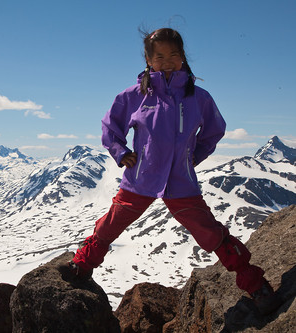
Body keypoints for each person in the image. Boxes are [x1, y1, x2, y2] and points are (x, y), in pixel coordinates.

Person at [59, 28, 280, 315]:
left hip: (180, 183)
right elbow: (110, 127)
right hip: (140, 179)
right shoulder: (133, 96)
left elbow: (214, 131)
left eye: (173, 55)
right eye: (159, 56)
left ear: (182, 57)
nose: (167, 61)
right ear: (149, 60)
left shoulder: (199, 98)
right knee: (110, 225)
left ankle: (255, 284)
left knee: (211, 233)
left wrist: (193, 157)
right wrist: (121, 152)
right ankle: (82, 264)